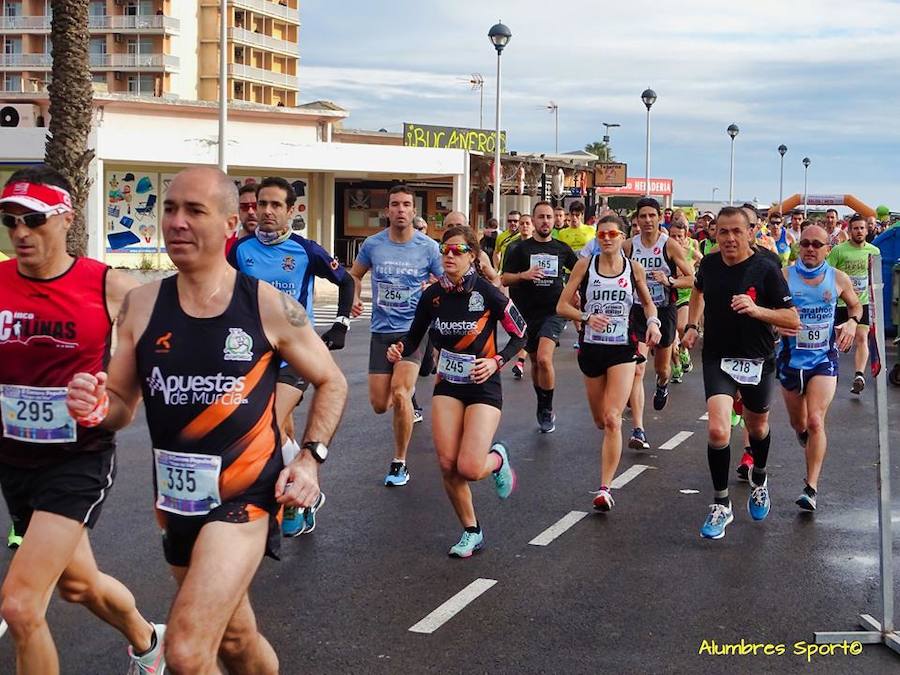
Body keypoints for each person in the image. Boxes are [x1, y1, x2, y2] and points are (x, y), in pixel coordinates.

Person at [66, 166, 348, 674]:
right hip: (175, 502)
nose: (177, 221)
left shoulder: (267, 306)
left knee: (188, 648)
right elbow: (121, 405)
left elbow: (332, 381)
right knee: (237, 640)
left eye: (194, 211)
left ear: (227, 225)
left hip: (245, 500)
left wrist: (309, 459)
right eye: (170, 208)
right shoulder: (141, 305)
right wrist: (95, 406)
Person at [0, 166, 165, 673]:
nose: (21, 233)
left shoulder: (111, 286)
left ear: (65, 218)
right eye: (10, 221)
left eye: (34, 220)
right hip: (15, 457)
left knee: (21, 606)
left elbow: (172, 340)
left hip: (77, 456)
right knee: (78, 584)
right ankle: (146, 639)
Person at [387, 225, 526, 556]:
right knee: (447, 464)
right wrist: (398, 349)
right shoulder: (432, 295)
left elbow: (521, 334)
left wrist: (496, 362)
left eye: (456, 251)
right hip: (448, 385)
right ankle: (471, 529)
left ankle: (497, 459)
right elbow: (414, 335)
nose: (448, 255)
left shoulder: (488, 294)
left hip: (483, 386)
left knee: (469, 467)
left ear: (473, 257)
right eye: (444, 249)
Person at [228, 176, 353, 536]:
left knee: (266, 422)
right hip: (251, 355)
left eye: (274, 205)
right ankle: (303, 493)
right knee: (281, 428)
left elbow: (345, 281)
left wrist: (341, 324)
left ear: (292, 210)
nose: (264, 211)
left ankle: (292, 491)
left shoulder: (305, 250)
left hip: (294, 354)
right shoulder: (240, 251)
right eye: (258, 204)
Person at [683, 206, 799, 539]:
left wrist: (756, 309)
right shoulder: (709, 264)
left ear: (751, 231)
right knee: (718, 429)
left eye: (737, 231)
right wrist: (692, 325)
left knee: (757, 426)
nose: (730, 238)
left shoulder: (766, 268)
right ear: (714, 234)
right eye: (723, 232)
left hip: (757, 358)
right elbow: (697, 290)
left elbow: (792, 320)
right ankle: (721, 504)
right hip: (718, 356)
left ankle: (759, 478)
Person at [556, 215, 661, 511]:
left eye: (612, 233)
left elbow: (648, 302)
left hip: (622, 349)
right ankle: (607, 464)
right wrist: (587, 317)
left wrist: (653, 322)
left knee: (614, 418)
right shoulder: (585, 266)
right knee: (601, 420)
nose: (606, 238)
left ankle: (604, 488)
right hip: (591, 349)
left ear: (622, 236)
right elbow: (562, 305)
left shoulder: (633, 268)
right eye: (601, 234)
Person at [349, 184, 443, 486]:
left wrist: (434, 296)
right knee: (380, 403)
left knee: (401, 394)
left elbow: (446, 280)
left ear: (414, 211)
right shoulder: (373, 245)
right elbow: (354, 274)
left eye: (405, 205)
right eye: (395, 204)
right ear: (387, 210)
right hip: (381, 330)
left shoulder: (428, 247)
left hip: (413, 331)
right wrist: (352, 297)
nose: (400, 210)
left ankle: (399, 463)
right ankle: (404, 392)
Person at [777, 225, 860, 511]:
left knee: (815, 421)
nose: (810, 249)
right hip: (790, 360)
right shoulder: (784, 276)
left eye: (816, 244)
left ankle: (810, 488)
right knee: (799, 424)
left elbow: (856, 306)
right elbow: (766, 309)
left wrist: (851, 322)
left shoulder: (837, 278)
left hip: (823, 359)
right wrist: (776, 323)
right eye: (805, 244)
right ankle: (804, 436)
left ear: (828, 248)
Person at [621, 197, 694, 449]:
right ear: (637, 220)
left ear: (659, 217)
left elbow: (692, 279)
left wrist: (669, 281)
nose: (647, 220)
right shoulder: (628, 246)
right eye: (643, 216)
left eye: (652, 215)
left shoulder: (669, 245)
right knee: (638, 369)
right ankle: (638, 430)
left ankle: (662, 385)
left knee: (662, 368)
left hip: (664, 311)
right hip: (638, 311)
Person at [502, 201, 578, 432]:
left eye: (549, 217)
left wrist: (575, 295)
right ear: (533, 221)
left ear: (555, 221)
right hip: (526, 312)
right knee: (535, 361)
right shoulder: (519, 249)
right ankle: (542, 402)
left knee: (545, 358)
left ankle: (547, 407)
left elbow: (579, 273)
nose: (545, 221)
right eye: (541, 217)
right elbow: (505, 278)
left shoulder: (562, 249)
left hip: (553, 311)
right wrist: (524, 275)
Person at [827, 213, 880, 394]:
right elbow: (828, 274)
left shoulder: (874, 251)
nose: (859, 231)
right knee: (836, 342)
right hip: (841, 304)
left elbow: (876, 279)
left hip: (862, 303)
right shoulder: (839, 251)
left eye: (862, 228)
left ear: (867, 230)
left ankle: (859, 376)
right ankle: (831, 373)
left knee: (862, 338)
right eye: (855, 228)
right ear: (849, 231)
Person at [668, 220, 700, 382]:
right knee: (670, 340)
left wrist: (696, 268)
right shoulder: (665, 251)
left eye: (679, 236)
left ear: (685, 236)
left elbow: (705, 261)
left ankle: (684, 351)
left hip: (686, 295)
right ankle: (676, 366)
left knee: (681, 327)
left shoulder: (690, 251)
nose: (676, 239)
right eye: (672, 235)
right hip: (669, 297)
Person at [226, 184, 260, 257]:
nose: (250, 211)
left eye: (255, 206)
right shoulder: (224, 244)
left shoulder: (279, 246)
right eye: (244, 207)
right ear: (237, 210)